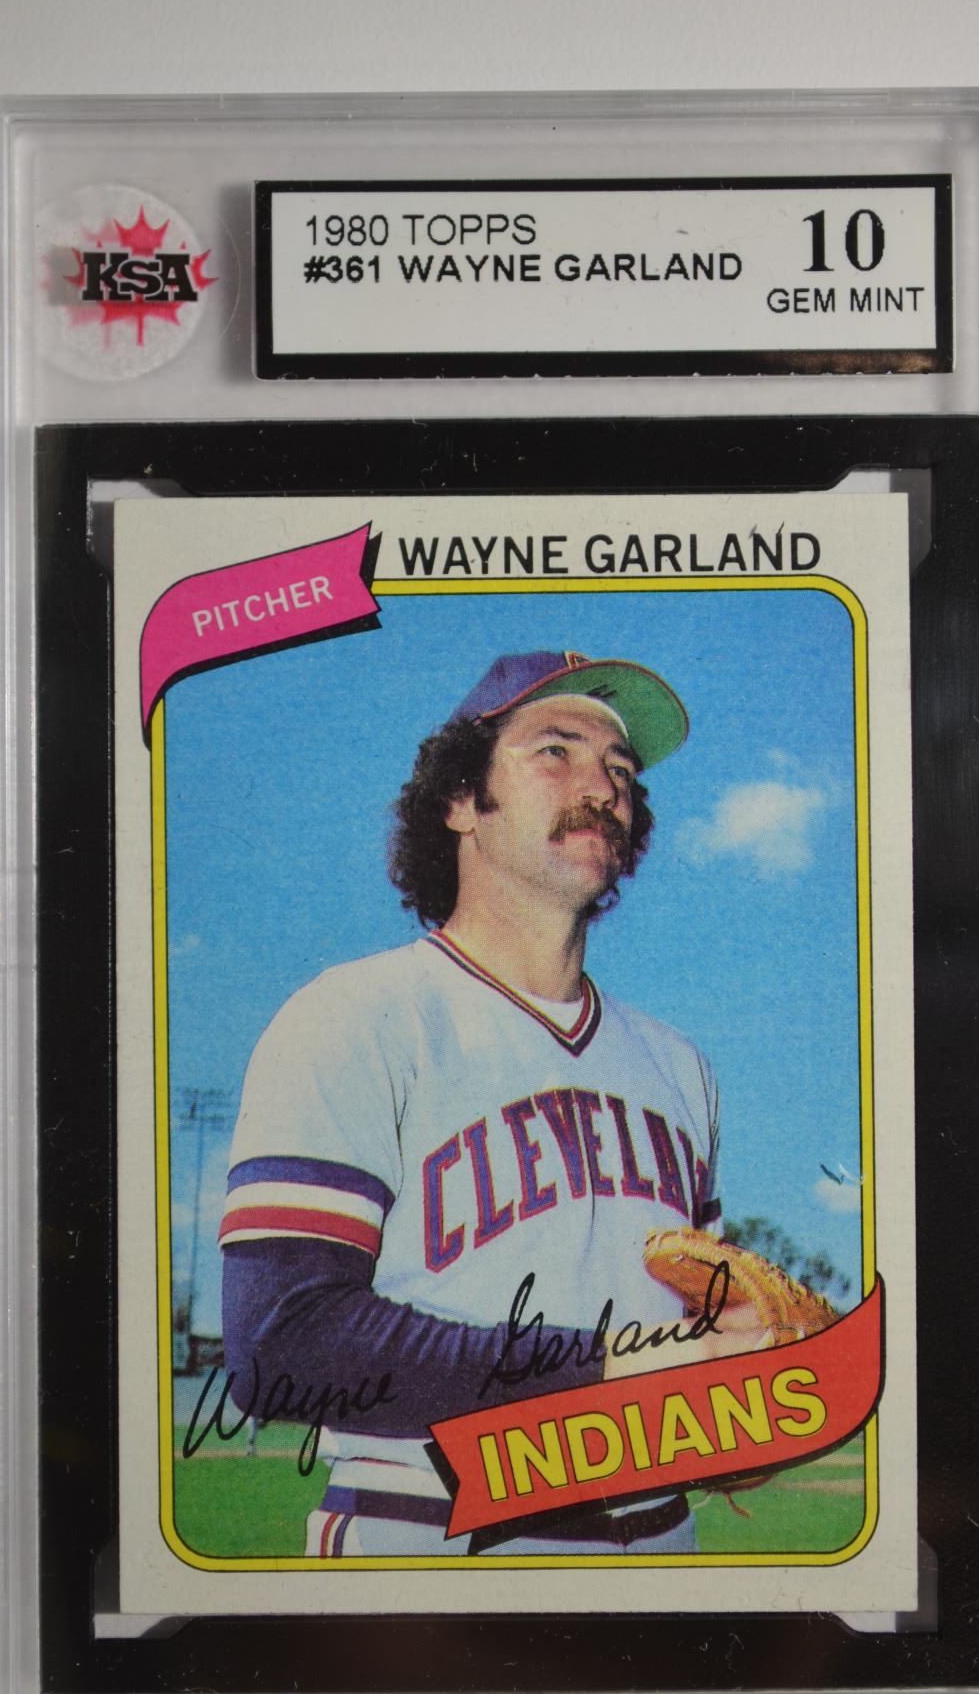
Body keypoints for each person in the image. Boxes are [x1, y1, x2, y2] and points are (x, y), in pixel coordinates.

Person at [219, 649, 747, 1557]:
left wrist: (752, 1374)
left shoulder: (680, 1067)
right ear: (461, 800)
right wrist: (619, 1368)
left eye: (621, 770)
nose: (603, 787)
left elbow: (696, 1327)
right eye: (556, 752)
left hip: (666, 1544)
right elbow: (283, 1347)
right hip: (432, 1536)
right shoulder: (355, 1016)